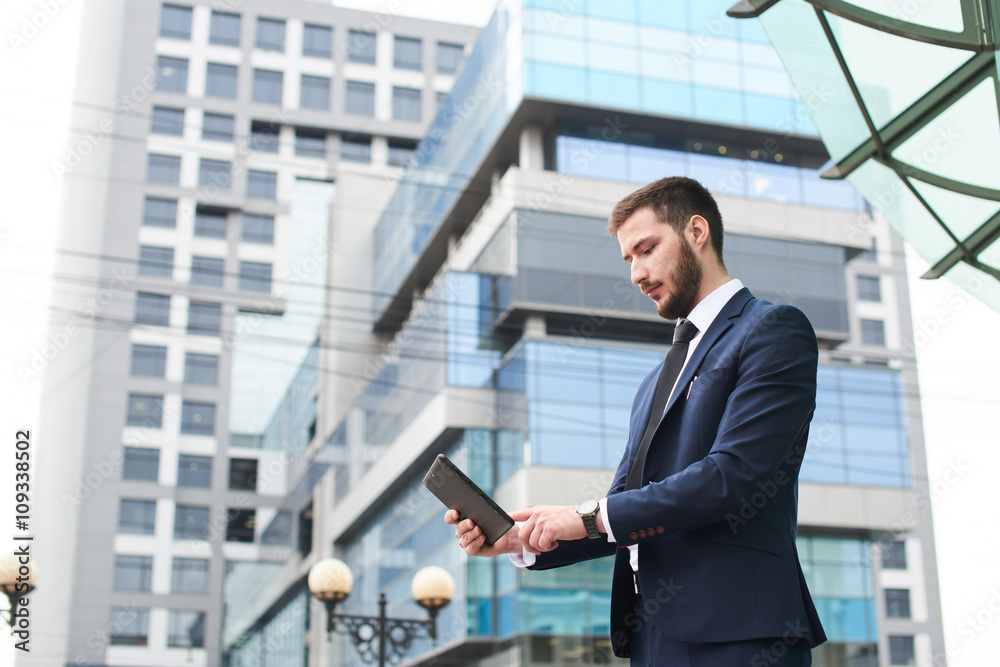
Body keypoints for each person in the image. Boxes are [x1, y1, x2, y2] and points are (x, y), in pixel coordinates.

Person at [446, 176, 827, 665]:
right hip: (652, 637)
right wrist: (521, 540)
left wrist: (582, 517)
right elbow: (625, 508)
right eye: (628, 259)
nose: (636, 274)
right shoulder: (655, 381)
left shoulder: (772, 329)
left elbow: (732, 475)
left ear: (696, 231)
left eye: (646, 249)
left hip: (742, 635)